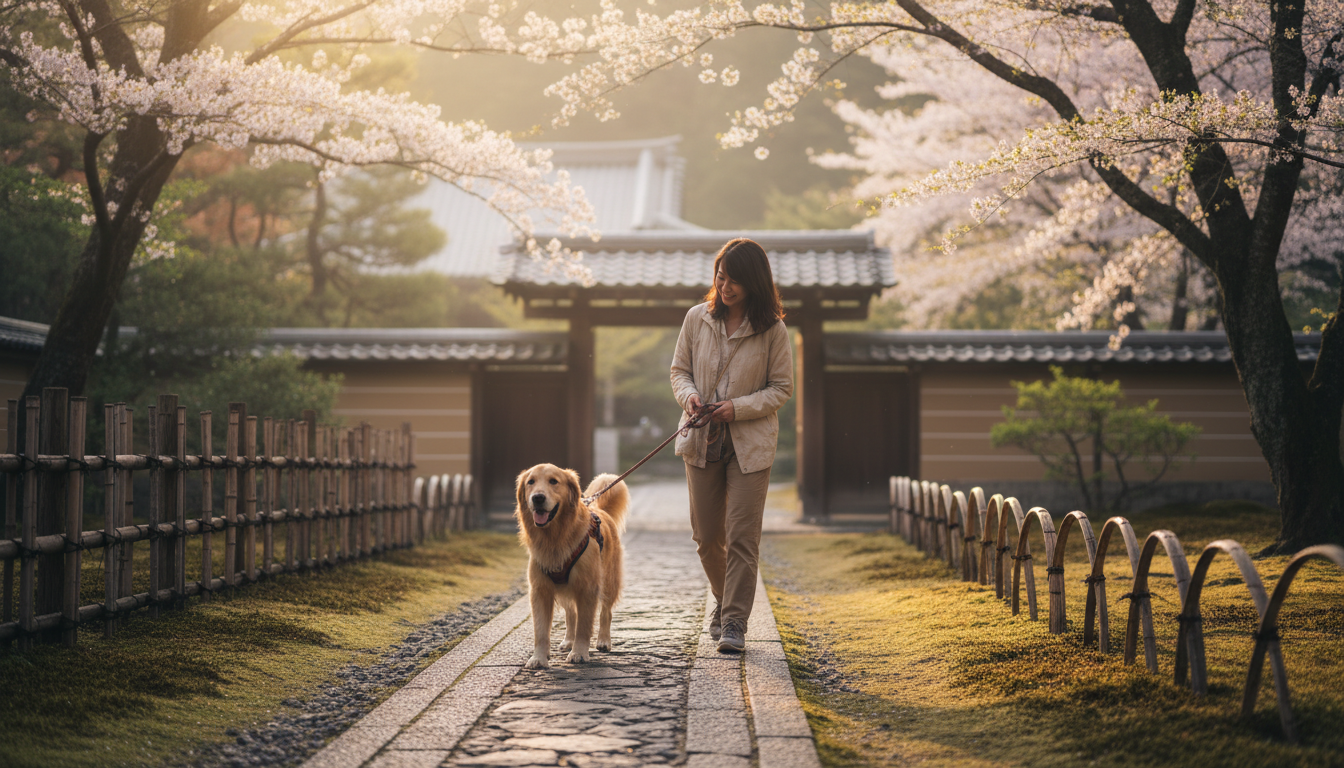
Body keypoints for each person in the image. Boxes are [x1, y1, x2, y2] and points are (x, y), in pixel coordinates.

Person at [670, 237, 793, 653]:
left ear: (754, 283)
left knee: (742, 537)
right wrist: (689, 397)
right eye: (721, 278)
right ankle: (725, 602)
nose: (725, 287)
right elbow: (678, 371)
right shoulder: (696, 318)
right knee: (706, 538)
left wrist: (736, 409)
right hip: (700, 439)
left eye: (734, 281)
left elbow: (781, 389)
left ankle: (735, 622)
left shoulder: (773, 330)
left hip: (750, 445)